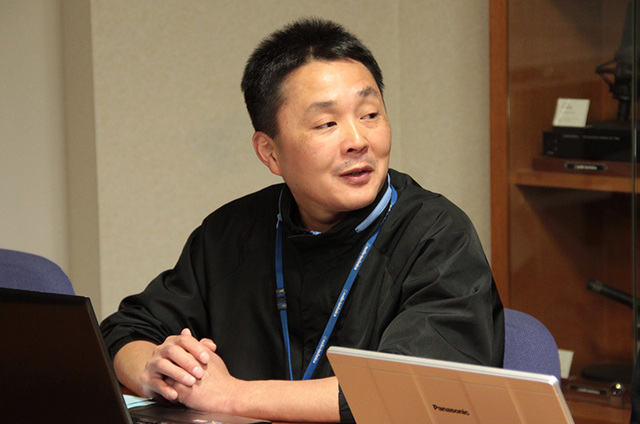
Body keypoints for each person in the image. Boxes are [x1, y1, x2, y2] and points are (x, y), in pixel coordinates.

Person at [100, 17, 504, 423]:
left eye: (370, 114)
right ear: (270, 152)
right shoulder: (230, 233)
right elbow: (125, 331)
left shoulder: (436, 235)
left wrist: (232, 396)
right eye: (327, 124)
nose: (358, 141)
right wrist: (156, 371)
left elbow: (414, 391)